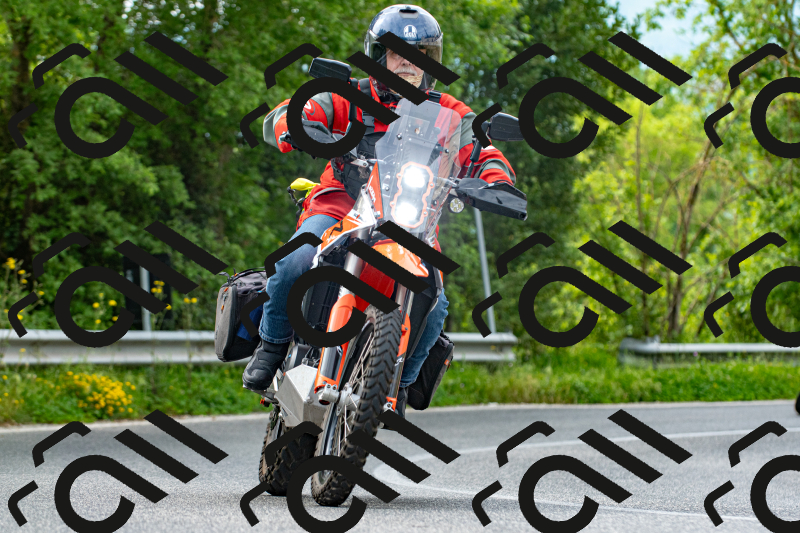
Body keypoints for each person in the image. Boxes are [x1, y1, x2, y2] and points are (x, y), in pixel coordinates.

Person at [243, 4, 516, 418]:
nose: (408, 63)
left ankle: (398, 384)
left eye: (419, 54)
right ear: (377, 57)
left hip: (411, 219)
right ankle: (272, 345)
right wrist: (297, 124)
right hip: (341, 204)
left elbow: (482, 150)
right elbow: (300, 108)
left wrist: (496, 182)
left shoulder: (450, 113)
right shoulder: (348, 94)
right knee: (295, 260)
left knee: (436, 305)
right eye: (397, 53)